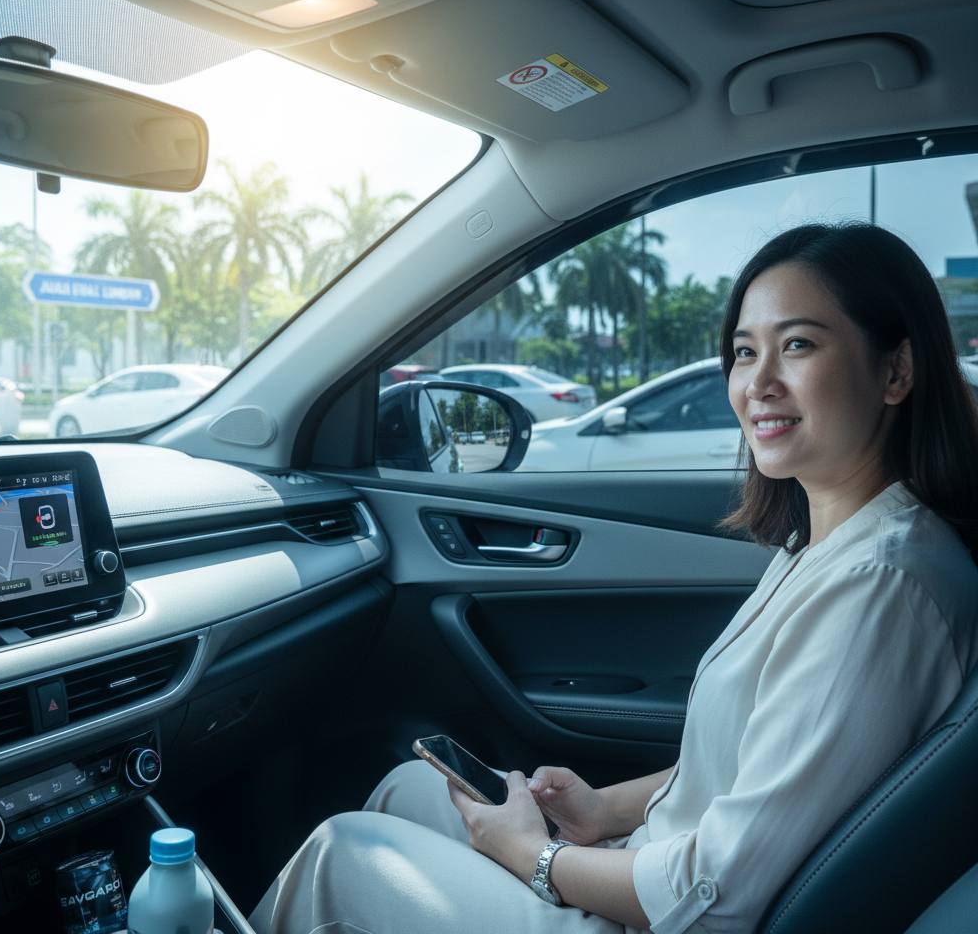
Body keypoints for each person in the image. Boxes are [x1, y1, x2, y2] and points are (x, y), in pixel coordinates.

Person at [250, 223, 978, 934]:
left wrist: (534, 855)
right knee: (412, 789)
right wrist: (601, 811)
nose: (757, 383)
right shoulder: (826, 547)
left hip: (667, 917)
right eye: (743, 351)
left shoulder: (879, 586)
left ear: (895, 371)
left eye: (797, 345)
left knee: (343, 857)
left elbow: (716, 895)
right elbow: (753, 774)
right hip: (654, 871)